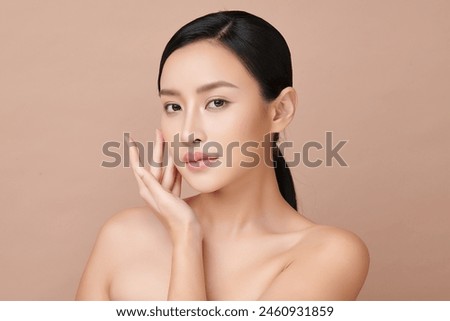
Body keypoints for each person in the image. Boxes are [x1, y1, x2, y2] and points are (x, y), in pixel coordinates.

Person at [75, 10, 369, 301]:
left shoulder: (329, 254)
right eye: (173, 107)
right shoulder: (122, 237)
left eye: (217, 102)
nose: (188, 133)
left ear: (280, 111)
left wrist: (187, 240)